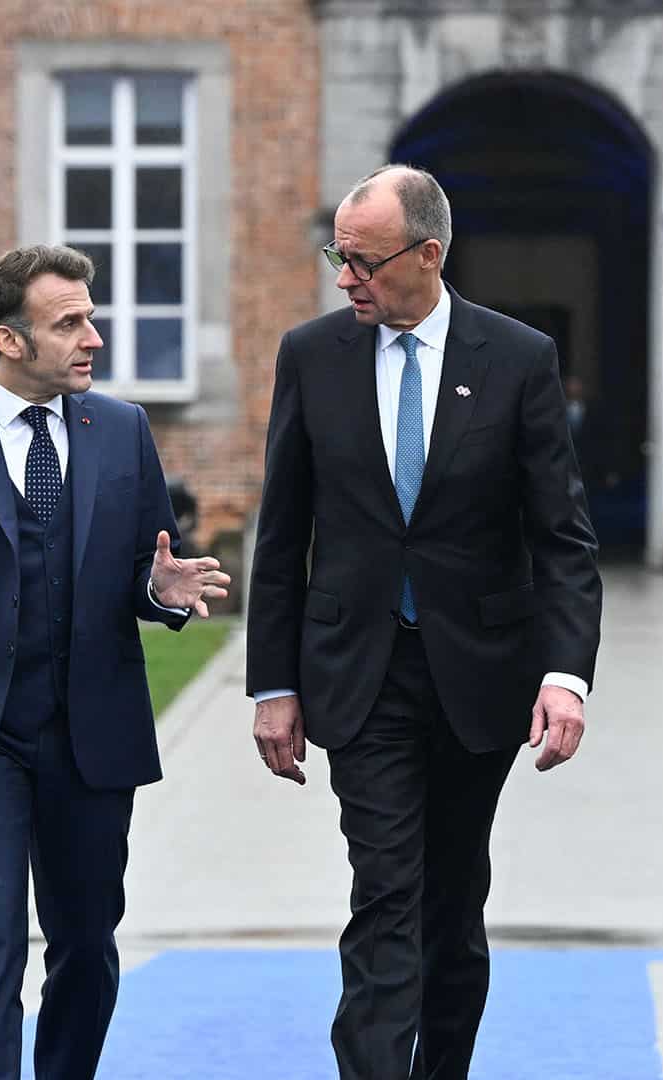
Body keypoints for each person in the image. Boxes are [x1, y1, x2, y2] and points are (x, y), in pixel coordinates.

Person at [247, 165, 604, 1079]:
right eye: (339, 256)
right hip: (358, 678)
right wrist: (274, 686)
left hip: (478, 678)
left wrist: (566, 676)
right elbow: (283, 534)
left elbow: (561, 536)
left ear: (428, 255)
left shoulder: (518, 359)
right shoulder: (312, 355)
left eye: (361, 260)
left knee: (452, 907)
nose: (344, 278)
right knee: (384, 896)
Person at [0, 244, 230, 1080]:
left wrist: (163, 589)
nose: (92, 337)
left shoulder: (125, 431)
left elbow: (145, 566)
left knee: (88, 944)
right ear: (8, 340)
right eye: (69, 324)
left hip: (93, 733)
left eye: (90, 318)